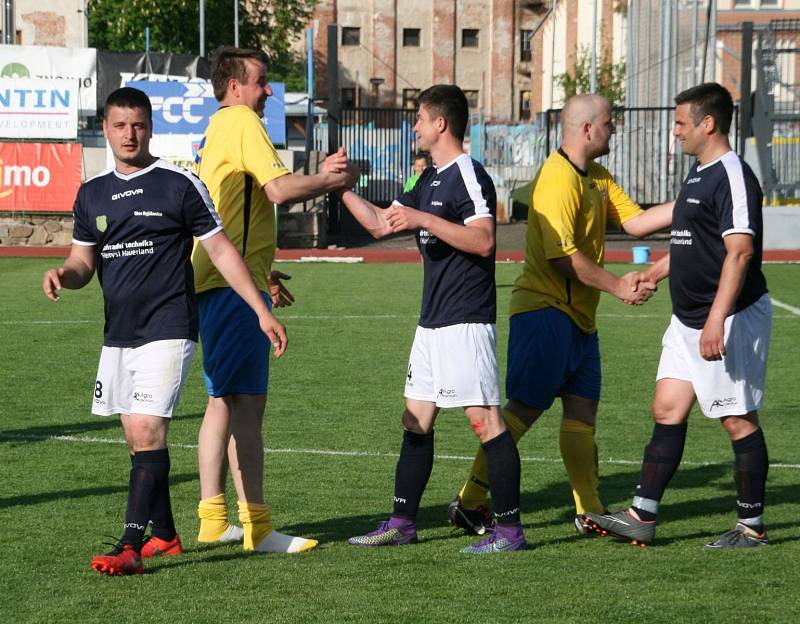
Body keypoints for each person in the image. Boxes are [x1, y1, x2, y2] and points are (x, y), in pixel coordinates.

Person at [42, 87, 288, 576]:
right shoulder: (92, 194)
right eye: (119, 125)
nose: (129, 134)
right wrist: (62, 276)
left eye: (138, 125)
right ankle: (167, 536)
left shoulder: (178, 184)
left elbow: (219, 250)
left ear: (149, 127)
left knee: (148, 430)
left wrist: (260, 309)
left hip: (170, 326)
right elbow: (82, 261)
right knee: (136, 441)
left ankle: (131, 546)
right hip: (118, 335)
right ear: (106, 129)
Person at [447, 94, 674, 537]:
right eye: (610, 123)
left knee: (583, 412)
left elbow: (637, 222)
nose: (615, 130)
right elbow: (560, 256)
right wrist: (619, 286)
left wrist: (699, 200)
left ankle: (589, 509)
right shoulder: (557, 178)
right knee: (523, 411)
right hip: (544, 313)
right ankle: (469, 501)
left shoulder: (598, 178)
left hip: (579, 321)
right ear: (587, 129)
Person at [581, 83, 771, 549]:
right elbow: (693, 243)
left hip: (728, 318)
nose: (675, 130)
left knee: (737, 419)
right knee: (666, 408)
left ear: (709, 123)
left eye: (681, 122)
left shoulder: (732, 175)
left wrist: (715, 320)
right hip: (687, 319)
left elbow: (739, 253)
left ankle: (752, 526)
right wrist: (658, 271)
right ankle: (642, 515)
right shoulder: (698, 173)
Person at [340, 84, 525, 554]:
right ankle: (402, 522)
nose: (415, 127)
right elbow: (384, 224)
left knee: (486, 423)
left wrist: (424, 220)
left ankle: (509, 532)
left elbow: (483, 240)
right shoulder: (427, 178)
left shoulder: (467, 174)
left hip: (466, 321)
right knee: (415, 419)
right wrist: (339, 189)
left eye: (420, 118)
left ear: (441, 123)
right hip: (432, 325)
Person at [191, 47, 358, 554]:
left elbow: (244, 205)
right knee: (246, 404)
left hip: (221, 279)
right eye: (262, 81)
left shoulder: (219, 125)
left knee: (222, 401)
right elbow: (279, 189)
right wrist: (331, 181)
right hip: (231, 288)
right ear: (235, 87)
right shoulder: (241, 120)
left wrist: (262, 273)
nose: (268, 91)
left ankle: (213, 518)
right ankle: (258, 527)